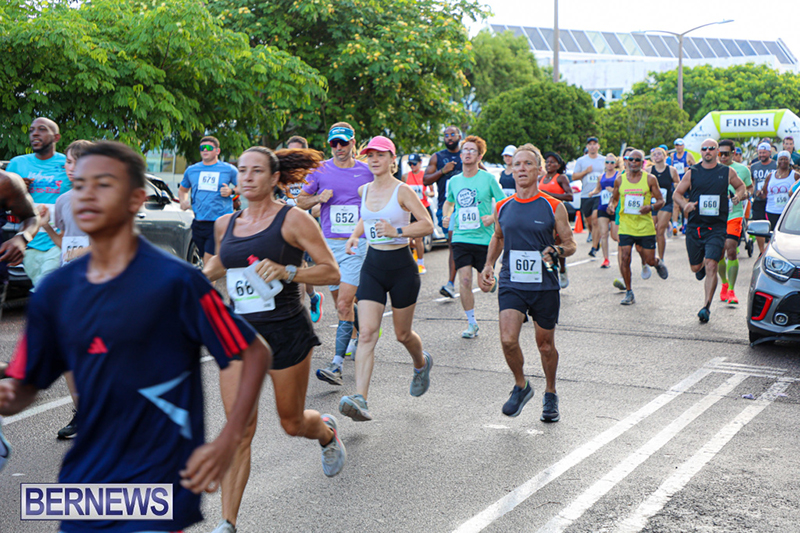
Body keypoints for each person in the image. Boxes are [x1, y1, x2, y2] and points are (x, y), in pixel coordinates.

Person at [0, 141, 271, 533]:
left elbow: (254, 352)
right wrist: (9, 395)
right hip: (85, 477)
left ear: (136, 199)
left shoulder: (177, 282)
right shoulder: (56, 291)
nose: (87, 194)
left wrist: (228, 439)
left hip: (157, 474)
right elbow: (24, 385)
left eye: (103, 184)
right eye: (79, 186)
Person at [203, 146, 346, 532]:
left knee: (292, 421)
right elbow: (219, 263)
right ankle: (227, 523)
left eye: (255, 171)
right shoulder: (224, 224)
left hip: (286, 331)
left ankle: (326, 431)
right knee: (239, 429)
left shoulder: (294, 220)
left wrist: (287, 271)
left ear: (272, 178)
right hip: (239, 337)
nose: (246, 177)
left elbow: (331, 272)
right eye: (241, 171)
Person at [337, 136, 435, 421]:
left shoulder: (403, 191)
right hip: (373, 267)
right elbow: (366, 217)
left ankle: (420, 363)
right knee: (367, 333)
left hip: (402, 269)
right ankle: (361, 399)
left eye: (380, 155)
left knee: (402, 334)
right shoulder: (364, 189)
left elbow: (427, 224)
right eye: (370, 155)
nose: (374, 160)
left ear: (393, 160)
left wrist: (397, 232)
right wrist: (355, 236)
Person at [479, 143, 576, 421]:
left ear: (538, 170)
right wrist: (488, 265)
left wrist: (556, 250)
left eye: (527, 164)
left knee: (545, 345)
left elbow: (570, 244)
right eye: (517, 164)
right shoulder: (503, 206)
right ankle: (521, 386)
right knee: (508, 339)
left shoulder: (553, 206)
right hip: (512, 281)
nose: (521, 169)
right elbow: (498, 237)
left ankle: (550, 392)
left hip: (544, 285)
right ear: (511, 169)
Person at [296, 123, 372, 386]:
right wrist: (318, 198)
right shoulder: (320, 170)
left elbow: (382, 196)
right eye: (334, 144)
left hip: (355, 244)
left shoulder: (366, 171)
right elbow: (300, 201)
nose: (339, 148)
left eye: (343, 143)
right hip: (328, 245)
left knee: (342, 304)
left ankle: (336, 365)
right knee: (340, 299)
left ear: (353, 142)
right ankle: (365, 328)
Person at [37, 139, 94, 440]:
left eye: (73, 161)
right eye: (67, 164)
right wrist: (46, 226)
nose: (68, 168)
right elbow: (63, 243)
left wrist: (86, 252)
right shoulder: (63, 201)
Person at [673, 139, 747, 323]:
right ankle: (700, 268)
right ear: (701, 152)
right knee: (696, 267)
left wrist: (737, 197)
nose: (708, 151)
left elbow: (741, 186)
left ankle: (706, 307)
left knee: (712, 264)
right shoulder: (693, 172)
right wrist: (685, 205)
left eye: (711, 149)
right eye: (704, 149)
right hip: (695, 227)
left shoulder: (727, 171)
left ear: (716, 152)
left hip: (717, 226)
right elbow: (677, 193)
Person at [442, 135, 505, 338]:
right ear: (460, 155)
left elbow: (503, 201)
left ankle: (491, 280)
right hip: (461, 236)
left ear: (479, 156)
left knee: (484, 287)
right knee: (466, 280)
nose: (467, 153)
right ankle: (471, 323)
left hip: (485, 239)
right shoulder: (454, 181)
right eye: (465, 150)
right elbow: (449, 202)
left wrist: (492, 217)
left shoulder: (488, 179)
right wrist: (446, 215)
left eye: (472, 150)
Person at [6, 117, 70, 288]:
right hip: (29, 241)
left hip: (57, 241)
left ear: (56, 137)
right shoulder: (17, 164)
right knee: (42, 286)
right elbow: (4, 200)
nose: (35, 133)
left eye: (42, 129)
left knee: (45, 285)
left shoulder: (67, 165)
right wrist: (18, 187)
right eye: (32, 130)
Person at [605, 149, 669, 305]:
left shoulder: (650, 179)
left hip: (645, 227)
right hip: (626, 225)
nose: (633, 162)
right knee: (625, 257)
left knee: (648, 258)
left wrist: (651, 208)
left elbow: (661, 201)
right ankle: (629, 292)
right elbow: (614, 199)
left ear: (642, 163)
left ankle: (656, 262)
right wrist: (611, 206)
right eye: (630, 159)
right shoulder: (620, 180)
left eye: (637, 160)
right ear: (626, 161)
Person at [179, 136, 239, 265]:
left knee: (209, 259)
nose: (205, 150)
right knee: (204, 258)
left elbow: (244, 186)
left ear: (217, 151)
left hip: (220, 221)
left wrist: (231, 191)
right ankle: (212, 278)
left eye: (209, 148)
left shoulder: (228, 169)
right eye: (202, 148)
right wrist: (183, 201)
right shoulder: (192, 170)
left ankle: (208, 284)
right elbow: (183, 190)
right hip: (199, 221)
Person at [286, 135, 324, 322]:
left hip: (305, 225)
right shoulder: (282, 172)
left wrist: (315, 206)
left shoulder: (314, 173)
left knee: (298, 266)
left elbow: (319, 203)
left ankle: (297, 314)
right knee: (300, 266)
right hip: (284, 223)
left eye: (297, 151)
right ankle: (313, 296)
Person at [423, 126, 462, 298]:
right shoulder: (437, 157)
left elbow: (483, 173)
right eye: (446, 135)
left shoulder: (467, 154)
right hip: (447, 208)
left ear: (459, 136)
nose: (449, 137)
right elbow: (425, 180)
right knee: (453, 243)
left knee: (464, 245)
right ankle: (451, 284)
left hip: (469, 209)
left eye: (452, 134)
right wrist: (442, 171)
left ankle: (485, 273)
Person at [716, 140, 753, 305]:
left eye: (726, 153)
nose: (723, 157)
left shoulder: (742, 170)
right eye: (720, 154)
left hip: (734, 214)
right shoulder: (710, 168)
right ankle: (723, 282)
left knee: (731, 250)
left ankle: (731, 290)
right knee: (718, 253)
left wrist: (742, 196)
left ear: (733, 153)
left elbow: (750, 188)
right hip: (715, 217)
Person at [539, 151, 573, 283]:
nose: (549, 164)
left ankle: (563, 268)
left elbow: (570, 196)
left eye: (552, 162)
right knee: (545, 244)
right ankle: (550, 274)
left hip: (557, 216)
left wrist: (550, 195)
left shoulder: (561, 178)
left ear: (558, 165)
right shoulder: (541, 178)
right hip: (542, 215)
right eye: (547, 162)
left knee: (558, 245)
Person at [403, 153, 435, 274]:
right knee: (408, 239)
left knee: (418, 238)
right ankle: (413, 257)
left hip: (422, 208)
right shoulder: (405, 177)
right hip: (409, 210)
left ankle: (420, 263)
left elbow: (432, 192)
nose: (412, 166)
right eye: (410, 164)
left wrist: (428, 194)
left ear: (420, 164)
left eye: (414, 164)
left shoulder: (425, 176)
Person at [572, 136, 604, 256]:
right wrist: (585, 172)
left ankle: (594, 247)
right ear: (587, 147)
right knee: (589, 222)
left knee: (596, 219)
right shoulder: (581, 161)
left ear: (598, 146)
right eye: (590, 144)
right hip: (586, 194)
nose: (592, 146)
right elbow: (574, 176)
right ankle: (594, 237)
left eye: (594, 144)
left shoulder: (604, 160)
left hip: (599, 194)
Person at [648, 147, 680, 262]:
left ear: (664, 156)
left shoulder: (671, 170)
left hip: (666, 203)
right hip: (653, 203)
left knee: (659, 230)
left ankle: (661, 258)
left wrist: (675, 188)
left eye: (659, 154)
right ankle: (650, 255)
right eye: (654, 155)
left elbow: (678, 183)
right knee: (651, 230)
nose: (656, 156)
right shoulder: (648, 171)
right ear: (652, 158)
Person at [588, 153, 620, 269]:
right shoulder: (601, 177)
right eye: (607, 162)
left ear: (615, 164)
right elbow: (598, 188)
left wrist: (613, 190)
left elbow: (621, 189)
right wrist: (593, 192)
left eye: (612, 162)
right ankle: (606, 259)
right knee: (603, 233)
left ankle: (623, 251)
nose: (609, 164)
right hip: (603, 206)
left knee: (615, 235)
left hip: (615, 207)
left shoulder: (619, 175)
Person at [750, 142, 778, 254]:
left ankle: (772, 249)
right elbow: (751, 182)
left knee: (773, 226)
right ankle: (762, 251)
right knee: (759, 226)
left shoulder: (775, 165)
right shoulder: (754, 166)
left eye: (764, 152)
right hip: (758, 201)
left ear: (770, 153)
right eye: (759, 153)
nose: (761, 155)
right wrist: (753, 191)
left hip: (773, 200)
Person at [760, 151, 797, 229]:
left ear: (789, 161)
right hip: (771, 210)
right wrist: (760, 194)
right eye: (781, 159)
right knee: (773, 233)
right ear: (777, 161)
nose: (783, 161)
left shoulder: (795, 176)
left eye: (785, 159)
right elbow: (764, 193)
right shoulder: (770, 176)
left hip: (788, 212)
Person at [667, 138, 696, 235]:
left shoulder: (688, 155)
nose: (678, 147)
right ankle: (675, 226)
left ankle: (685, 224)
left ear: (683, 146)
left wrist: (688, 168)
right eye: (676, 145)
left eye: (680, 145)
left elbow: (695, 167)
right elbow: (670, 168)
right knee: (676, 204)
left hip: (686, 183)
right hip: (677, 183)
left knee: (685, 204)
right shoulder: (672, 156)